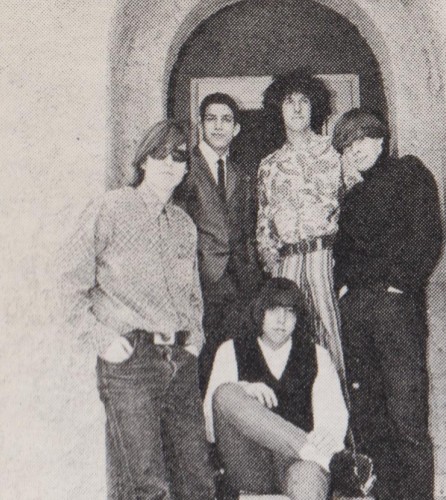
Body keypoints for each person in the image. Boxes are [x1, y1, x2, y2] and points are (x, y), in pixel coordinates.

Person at [60, 121, 215, 499]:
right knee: (146, 486)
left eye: (179, 156)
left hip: (179, 360)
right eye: (160, 154)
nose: (169, 163)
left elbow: (193, 296)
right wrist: (102, 340)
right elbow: (68, 283)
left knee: (198, 482)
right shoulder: (110, 208)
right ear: (143, 160)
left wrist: (194, 340)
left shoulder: (184, 225)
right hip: (131, 362)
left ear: (186, 167)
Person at [332, 108, 443, 500]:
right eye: (347, 145)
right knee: (369, 414)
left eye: (362, 139)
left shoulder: (409, 172)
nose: (356, 149)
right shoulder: (353, 197)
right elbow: (343, 255)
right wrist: (344, 292)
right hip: (357, 311)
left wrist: (398, 284)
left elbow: (428, 234)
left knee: (406, 414)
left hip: (395, 309)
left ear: (380, 139)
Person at [204, 278, 349, 500]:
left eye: (290, 312)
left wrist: (326, 437)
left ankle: (312, 454)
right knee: (225, 392)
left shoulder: (316, 355)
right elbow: (210, 428)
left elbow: (334, 418)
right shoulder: (230, 350)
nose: (281, 320)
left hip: (298, 464)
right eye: (273, 309)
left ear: (298, 318)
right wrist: (243, 390)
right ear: (260, 311)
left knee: (307, 483)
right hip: (249, 462)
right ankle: (314, 452)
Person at [257, 70, 360, 377]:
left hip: (325, 259)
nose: (297, 108)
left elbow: (357, 210)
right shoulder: (270, 165)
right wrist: (274, 270)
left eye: (304, 100)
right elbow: (264, 224)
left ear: (314, 105)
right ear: (279, 109)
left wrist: (346, 265)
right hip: (286, 263)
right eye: (289, 101)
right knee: (285, 347)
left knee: (331, 344)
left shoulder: (335, 152)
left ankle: (338, 409)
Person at [175, 92, 261, 394]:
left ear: (236, 129)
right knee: (198, 363)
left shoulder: (241, 173)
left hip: (238, 285)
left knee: (231, 362)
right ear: (201, 125)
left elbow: (247, 229)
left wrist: (250, 273)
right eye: (211, 119)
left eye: (226, 120)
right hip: (200, 280)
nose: (218, 126)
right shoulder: (184, 166)